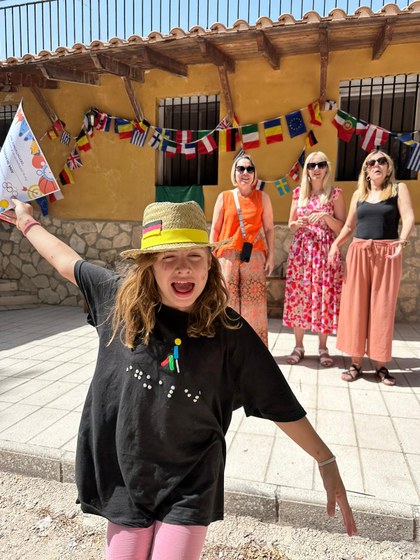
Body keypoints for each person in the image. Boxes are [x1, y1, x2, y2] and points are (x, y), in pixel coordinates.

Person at [5, 198, 357, 560]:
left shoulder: (230, 331)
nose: (183, 268)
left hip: (191, 479)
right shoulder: (117, 300)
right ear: (149, 267)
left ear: (210, 264)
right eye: (168, 258)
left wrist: (325, 460)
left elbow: (278, 401)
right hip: (126, 474)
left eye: (194, 256)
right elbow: (65, 261)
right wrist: (26, 222)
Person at [329, 150, 415, 386]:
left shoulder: (398, 189)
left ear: (388, 167)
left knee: (382, 307)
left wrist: (402, 241)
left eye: (381, 161)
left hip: (387, 252)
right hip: (359, 252)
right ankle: (356, 363)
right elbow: (348, 226)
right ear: (366, 170)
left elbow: (407, 218)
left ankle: (380, 364)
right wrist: (336, 245)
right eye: (371, 162)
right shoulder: (360, 193)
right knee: (355, 306)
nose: (376, 164)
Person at [283, 152, 346, 367]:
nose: (316, 168)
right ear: (306, 170)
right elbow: (290, 224)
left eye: (320, 164)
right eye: (311, 165)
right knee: (298, 296)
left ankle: (323, 347)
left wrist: (326, 217)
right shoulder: (298, 193)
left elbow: (342, 228)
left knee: (323, 297)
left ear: (327, 168)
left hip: (324, 253)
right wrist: (297, 223)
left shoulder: (335, 194)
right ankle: (298, 346)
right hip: (302, 252)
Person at [210, 154, 274, 346]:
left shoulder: (263, 197)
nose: (245, 173)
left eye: (249, 169)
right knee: (226, 302)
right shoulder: (224, 197)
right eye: (241, 169)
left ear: (254, 175)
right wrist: (211, 257)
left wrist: (271, 255)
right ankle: (226, 345)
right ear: (234, 173)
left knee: (253, 305)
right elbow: (214, 228)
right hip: (227, 256)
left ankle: (254, 347)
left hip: (253, 256)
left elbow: (269, 228)